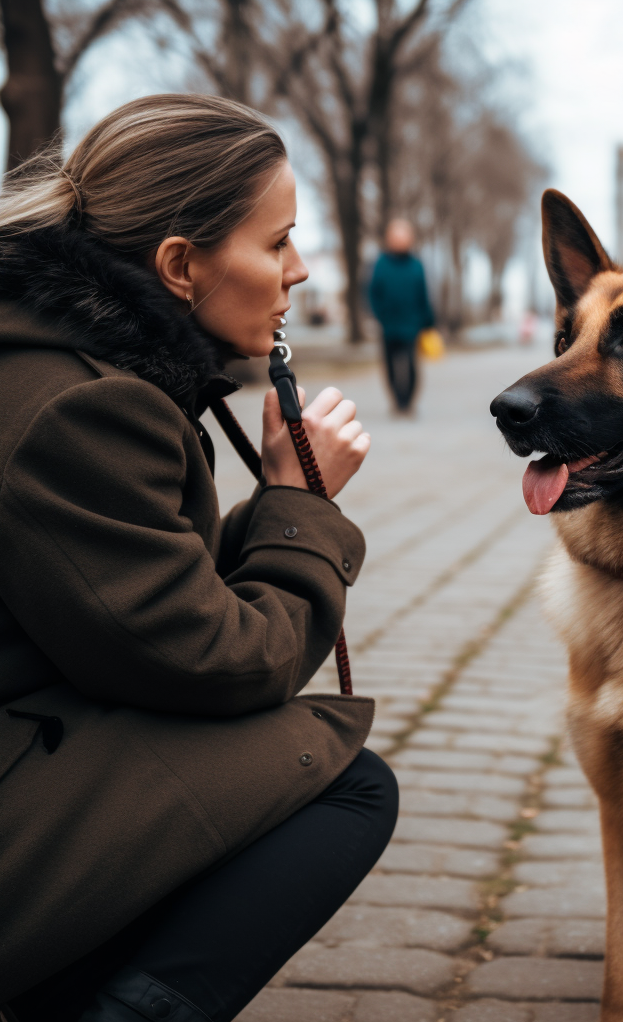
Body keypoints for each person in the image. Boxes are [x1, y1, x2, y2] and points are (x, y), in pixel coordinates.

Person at [0, 95, 398, 1022]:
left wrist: (278, 504)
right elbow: (221, 664)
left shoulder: (56, 360)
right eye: (278, 242)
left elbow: (118, 599)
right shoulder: (82, 407)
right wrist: (297, 507)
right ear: (181, 265)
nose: (299, 273)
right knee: (343, 780)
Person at [369, 218, 434, 413]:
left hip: (411, 325)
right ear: (389, 239)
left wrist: (428, 320)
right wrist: (380, 315)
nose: (400, 241)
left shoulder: (416, 265)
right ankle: (397, 401)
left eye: (404, 236)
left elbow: (423, 294)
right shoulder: (381, 264)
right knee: (389, 366)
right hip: (388, 325)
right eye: (396, 237)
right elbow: (373, 292)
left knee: (412, 365)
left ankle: (408, 401)